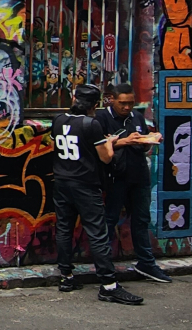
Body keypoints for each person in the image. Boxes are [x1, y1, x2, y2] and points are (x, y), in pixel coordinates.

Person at [52, 83, 142, 304]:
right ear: (96, 104)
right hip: (85, 184)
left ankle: (66, 276)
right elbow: (106, 158)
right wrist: (110, 141)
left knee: (64, 228)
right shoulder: (90, 124)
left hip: (62, 181)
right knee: (97, 233)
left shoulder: (58, 120)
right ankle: (108, 285)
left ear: (74, 98)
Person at [97, 83, 170, 283]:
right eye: (123, 103)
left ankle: (146, 263)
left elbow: (142, 145)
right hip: (115, 177)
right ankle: (104, 264)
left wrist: (150, 140)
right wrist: (125, 141)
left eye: (131, 103)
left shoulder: (136, 117)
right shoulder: (102, 118)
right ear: (112, 99)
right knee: (109, 220)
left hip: (139, 175)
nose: (127, 107)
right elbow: (100, 147)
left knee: (141, 220)